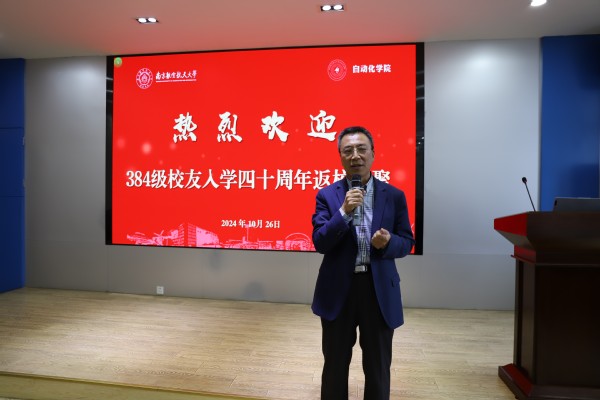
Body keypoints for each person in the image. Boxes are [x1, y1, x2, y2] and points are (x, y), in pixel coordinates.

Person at [311, 126, 415, 400]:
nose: (355, 155)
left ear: (373, 154)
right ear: (340, 157)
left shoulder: (394, 196)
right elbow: (320, 242)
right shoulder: (327, 196)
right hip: (338, 291)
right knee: (334, 366)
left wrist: (388, 243)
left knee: (378, 367)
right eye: (348, 151)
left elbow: (407, 241)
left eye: (361, 149)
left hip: (377, 291)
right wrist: (343, 212)